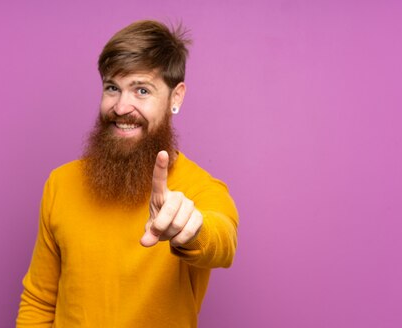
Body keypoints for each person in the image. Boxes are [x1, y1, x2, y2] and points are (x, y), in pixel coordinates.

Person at [16, 20, 239, 327]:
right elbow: (39, 302)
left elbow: (222, 240)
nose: (122, 106)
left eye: (142, 90)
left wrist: (191, 230)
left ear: (176, 97)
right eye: (112, 88)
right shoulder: (60, 183)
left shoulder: (201, 190)